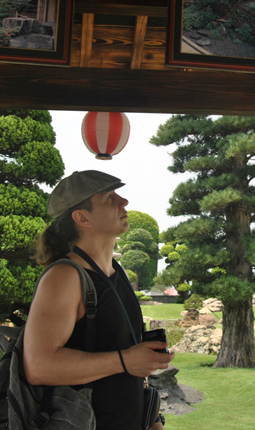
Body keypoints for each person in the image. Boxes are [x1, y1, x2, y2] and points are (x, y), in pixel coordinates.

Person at [24, 170, 174, 430]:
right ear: (82, 217)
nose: (123, 201)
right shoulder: (64, 277)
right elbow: (39, 366)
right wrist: (125, 360)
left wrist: (153, 421)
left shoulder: (118, 273)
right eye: (109, 198)